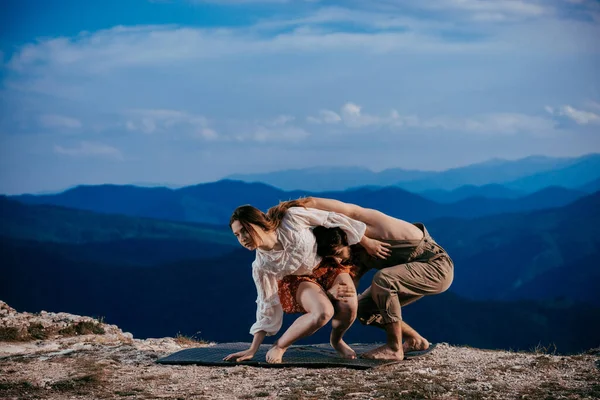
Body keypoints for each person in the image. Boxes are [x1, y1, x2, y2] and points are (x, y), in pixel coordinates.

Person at [223, 199, 392, 363]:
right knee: (323, 313)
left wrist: (367, 242)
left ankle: (337, 340)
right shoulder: (261, 265)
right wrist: (253, 349)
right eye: (237, 235)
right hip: (299, 281)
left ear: (258, 222)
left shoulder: (291, 218)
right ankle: (280, 346)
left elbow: (333, 218)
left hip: (326, 266)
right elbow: (266, 304)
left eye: (245, 230)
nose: (242, 238)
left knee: (350, 305)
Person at [306, 197, 454, 361]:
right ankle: (414, 340)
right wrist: (333, 294)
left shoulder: (374, 227)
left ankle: (394, 347)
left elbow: (348, 210)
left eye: (339, 254)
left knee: (383, 280)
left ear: (347, 239)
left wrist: (294, 206)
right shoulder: (356, 257)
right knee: (363, 308)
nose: (338, 261)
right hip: (409, 276)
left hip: (437, 268)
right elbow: (349, 295)